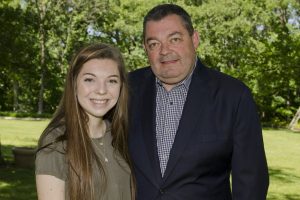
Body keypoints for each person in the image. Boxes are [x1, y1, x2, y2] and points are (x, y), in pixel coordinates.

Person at [128, 3, 269, 200]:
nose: (164, 51)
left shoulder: (234, 96)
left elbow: (250, 182)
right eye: (154, 44)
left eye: (174, 39)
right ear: (145, 48)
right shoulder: (126, 89)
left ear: (194, 39)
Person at [35, 43, 135, 200]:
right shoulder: (57, 142)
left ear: (121, 86)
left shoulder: (119, 135)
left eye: (112, 81)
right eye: (90, 80)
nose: (101, 90)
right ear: (74, 83)